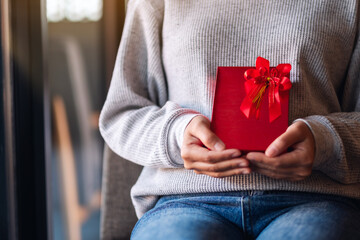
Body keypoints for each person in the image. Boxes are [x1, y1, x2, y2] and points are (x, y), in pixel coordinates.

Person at [99, 0, 360, 239]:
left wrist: (324, 140)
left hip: (314, 199)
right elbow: (121, 114)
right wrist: (178, 133)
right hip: (184, 200)